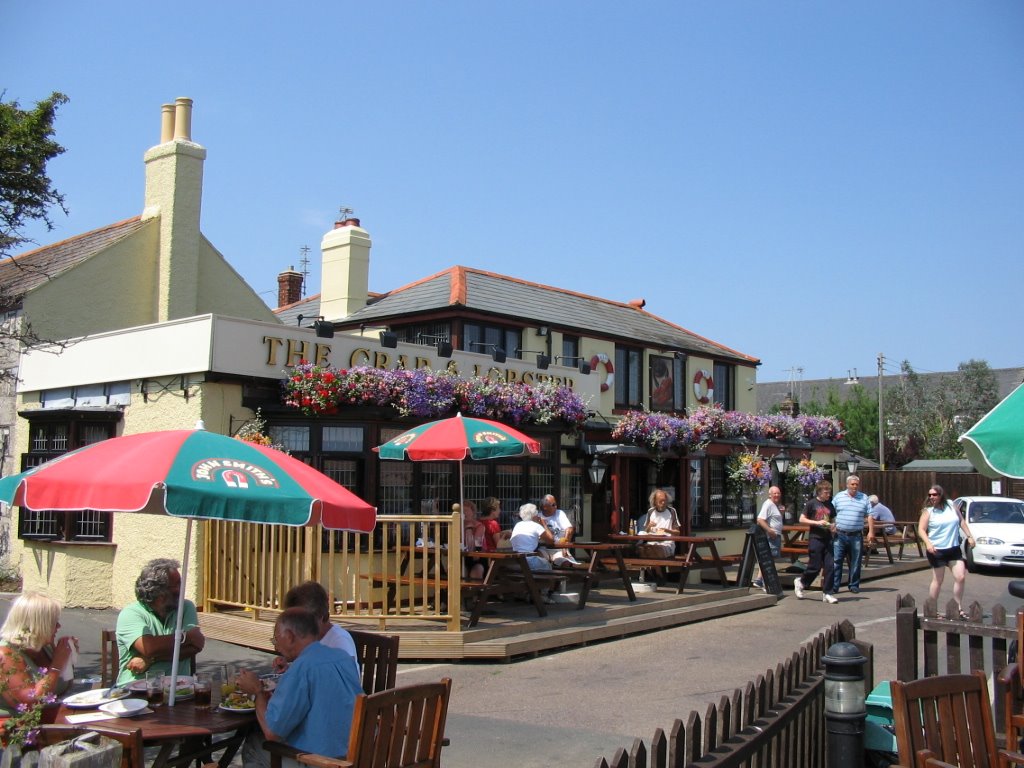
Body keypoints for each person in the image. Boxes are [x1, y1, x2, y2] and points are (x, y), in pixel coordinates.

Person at [238, 608, 363, 767]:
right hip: (355, 754)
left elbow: (272, 733)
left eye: (276, 640)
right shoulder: (342, 657)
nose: (276, 647)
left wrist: (258, 691)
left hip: (322, 762)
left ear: (289, 636)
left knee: (254, 744)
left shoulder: (301, 669)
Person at [115, 558, 205, 685]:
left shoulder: (185, 607)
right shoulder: (131, 613)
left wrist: (150, 659)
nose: (182, 589)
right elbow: (149, 647)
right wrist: (186, 637)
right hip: (136, 689)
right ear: (159, 591)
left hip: (178, 688)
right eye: (177, 585)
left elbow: (196, 644)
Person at [0, 593, 78, 721]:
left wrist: (68, 659)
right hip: (18, 728)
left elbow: (62, 687)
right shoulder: (6, 655)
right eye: (54, 622)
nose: (59, 626)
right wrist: (58, 663)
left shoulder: (42, 647)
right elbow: (30, 704)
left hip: (51, 717)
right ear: (38, 625)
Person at [271, 581, 358, 675]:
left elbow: (346, 677)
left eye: (300, 622)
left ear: (319, 616)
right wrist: (290, 667)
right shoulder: (306, 641)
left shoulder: (339, 640)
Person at [918, 485, 975, 620]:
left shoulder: (951, 505)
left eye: (935, 495)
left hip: (953, 549)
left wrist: (970, 536)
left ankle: (957, 608)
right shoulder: (928, 511)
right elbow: (921, 529)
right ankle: (932, 609)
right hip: (937, 550)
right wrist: (928, 543)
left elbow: (961, 521)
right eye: (930, 495)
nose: (932, 497)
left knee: (960, 577)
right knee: (938, 580)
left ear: (941, 495)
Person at [794, 481, 838, 603]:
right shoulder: (811, 504)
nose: (828, 494)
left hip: (828, 538)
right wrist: (817, 523)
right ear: (819, 492)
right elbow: (801, 519)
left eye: (829, 492)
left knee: (830, 566)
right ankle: (801, 582)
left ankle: (828, 593)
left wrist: (833, 526)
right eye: (826, 492)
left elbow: (833, 518)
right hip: (815, 538)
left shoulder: (830, 504)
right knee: (815, 566)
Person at [752, 486, 784, 590]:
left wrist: (781, 513)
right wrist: (769, 530)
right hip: (772, 537)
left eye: (778, 493)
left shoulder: (774, 505)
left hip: (775, 536)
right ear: (770, 494)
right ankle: (766, 582)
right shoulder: (768, 504)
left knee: (770, 559)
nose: (777, 495)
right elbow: (760, 520)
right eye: (774, 493)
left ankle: (759, 580)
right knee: (769, 560)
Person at [509, 503, 555, 571]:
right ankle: (548, 581)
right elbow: (551, 540)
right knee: (548, 565)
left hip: (516, 559)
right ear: (534, 515)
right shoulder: (536, 526)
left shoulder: (517, 525)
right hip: (529, 560)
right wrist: (544, 524)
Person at [637, 489, 681, 558]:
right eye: (660, 501)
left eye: (665, 501)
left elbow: (677, 533)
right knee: (640, 549)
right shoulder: (651, 512)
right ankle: (650, 568)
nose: (663, 503)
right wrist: (649, 526)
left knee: (655, 550)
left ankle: (655, 568)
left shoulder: (672, 511)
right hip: (652, 542)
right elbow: (646, 531)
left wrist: (666, 530)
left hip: (667, 543)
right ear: (655, 502)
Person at [467, 498, 503, 580]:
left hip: (478, 556)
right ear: (492, 510)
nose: (500, 511)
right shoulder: (493, 524)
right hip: (491, 558)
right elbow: (499, 544)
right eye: (498, 508)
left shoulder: (477, 522)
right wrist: (505, 537)